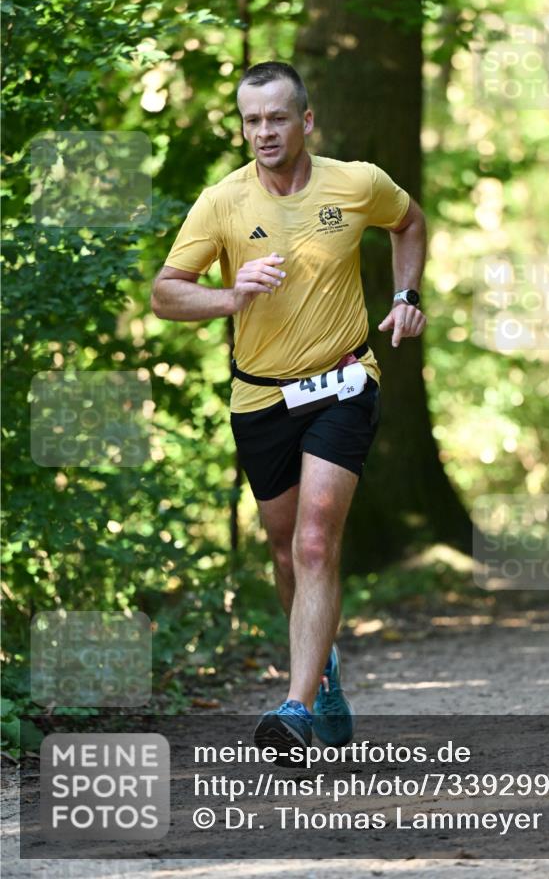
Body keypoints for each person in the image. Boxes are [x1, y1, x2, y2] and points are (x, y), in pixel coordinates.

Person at [151, 61, 426, 753]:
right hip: (259, 395)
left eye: (277, 118)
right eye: (252, 120)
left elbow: (410, 222)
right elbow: (164, 293)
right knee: (282, 549)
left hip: (342, 382)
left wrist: (405, 297)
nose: (264, 131)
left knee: (313, 540)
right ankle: (322, 671)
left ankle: (295, 709)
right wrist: (230, 297)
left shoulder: (356, 183)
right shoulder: (222, 202)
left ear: (305, 121)